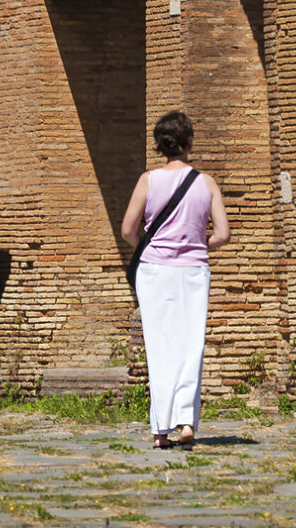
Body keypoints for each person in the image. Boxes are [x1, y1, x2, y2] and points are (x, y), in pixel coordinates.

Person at [120, 109, 229, 449]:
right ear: (188, 142)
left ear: (160, 144)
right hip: (194, 270)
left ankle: (159, 430)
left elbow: (127, 230)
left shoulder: (148, 180)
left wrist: (152, 250)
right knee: (190, 345)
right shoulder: (205, 182)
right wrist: (195, 246)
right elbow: (223, 234)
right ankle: (186, 423)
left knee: (159, 347)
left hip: (154, 272)